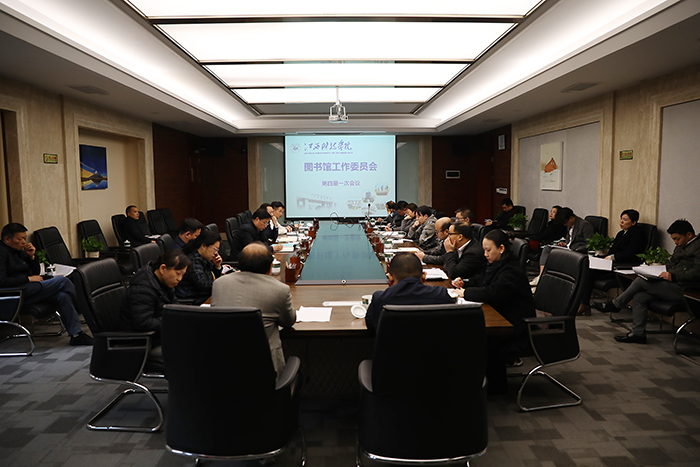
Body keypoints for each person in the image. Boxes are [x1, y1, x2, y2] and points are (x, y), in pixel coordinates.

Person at [453, 229, 536, 393]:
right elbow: (482, 279)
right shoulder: (498, 263)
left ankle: (493, 388)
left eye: (488, 250)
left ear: (501, 248)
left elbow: (493, 293)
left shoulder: (511, 270)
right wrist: (465, 283)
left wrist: (466, 293)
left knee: (477, 336)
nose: (485, 254)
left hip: (514, 326)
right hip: (502, 314)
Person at [594, 219, 700, 344]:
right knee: (640, 297)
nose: (675, 243)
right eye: (673, 240)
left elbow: (697, 272)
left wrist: (674, 276)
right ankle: (638, 334)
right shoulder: (681, 246)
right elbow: (670, 265)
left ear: (689, 235)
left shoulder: (698, 247)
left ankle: (615, 304)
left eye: (677, 239)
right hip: (671, 284)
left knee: (641, 282)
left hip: (686, 290)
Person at [0, 223, 93, 346]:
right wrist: (28, 279)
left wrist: (31, 257)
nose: (23, 242)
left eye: (25, 238)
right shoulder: (2, 253)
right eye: (20, 239)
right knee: (62, 281)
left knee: (62, 296)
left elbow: (35, 272)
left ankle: (77, 335)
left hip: (30, 290)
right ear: (7, 239)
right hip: (16, 294)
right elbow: (2, 281)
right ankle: (89, 309)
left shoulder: (19, 252)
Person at [211, 242, 296, 375]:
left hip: (222, 368)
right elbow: (288, 321)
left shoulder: (218, 284)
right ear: (270, 268)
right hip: (265, 370)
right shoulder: (280, 290)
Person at [119, 249, 191, 349]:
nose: (180, 279)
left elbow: (174, 305)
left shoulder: (164, 282)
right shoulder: (142, 289)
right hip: (142, 341)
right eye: (178, 273)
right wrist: (173, 319)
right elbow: (144, 323)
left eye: (182, 275)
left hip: (160, 333)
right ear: (163, 269)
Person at [364, 252, 453, 333]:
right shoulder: (441, 295)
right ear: (424, 277)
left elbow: (371, 327)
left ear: (390, 278)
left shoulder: (380, 299)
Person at [531, 207, 594, 285]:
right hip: (568, 249)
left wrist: (575, 249)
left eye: (565, 223)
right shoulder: (569, 225)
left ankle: (544, 280)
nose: (565, 225)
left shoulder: (584, 225)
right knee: (547, 249)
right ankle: (541, 276)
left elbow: (589, 244)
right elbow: (569, 239)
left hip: (577, 251)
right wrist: (565, 244)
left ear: (571, 218)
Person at [175, 230, 223, 305]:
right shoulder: (193, 261)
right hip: (194, 300)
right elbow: (204, 285)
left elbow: (212, 277)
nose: (216, 253)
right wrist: (224, 282)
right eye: (215, 249)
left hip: (203, 296)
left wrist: (217, 266)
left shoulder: (204, 258)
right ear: (203, 246)